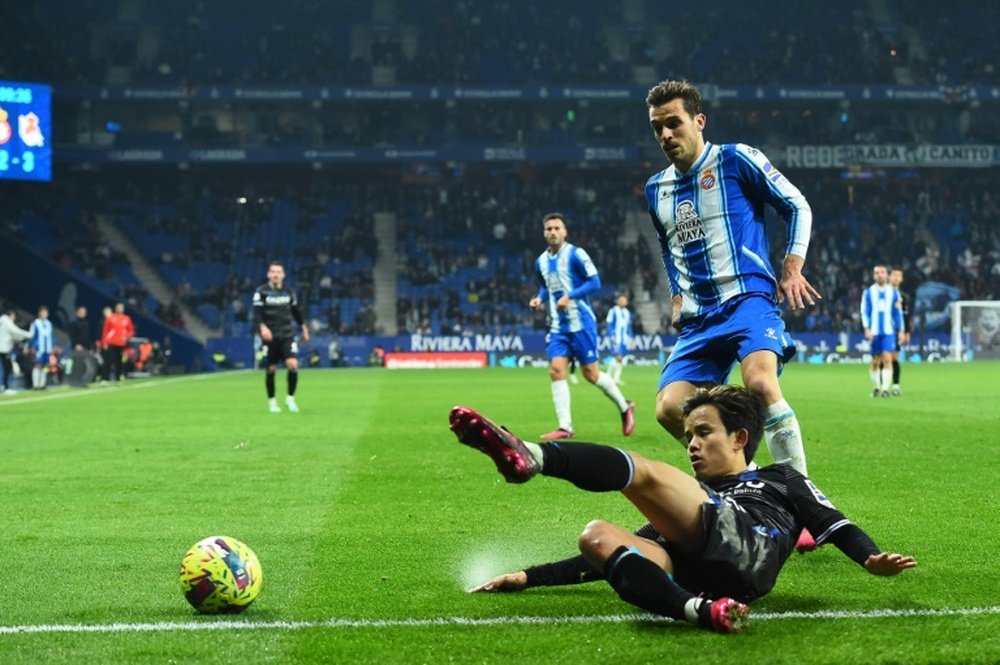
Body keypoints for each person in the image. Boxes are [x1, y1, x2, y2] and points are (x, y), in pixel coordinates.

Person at [449, 385, 916, 634]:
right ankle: (697, 611)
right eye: (689, 434)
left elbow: (835, 523)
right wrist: (528, 577)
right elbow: (602, 559)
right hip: (705, 573)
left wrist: (870, 557)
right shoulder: (694, 501)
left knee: (645, 473)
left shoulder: (780, 477)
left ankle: (534, 455)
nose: (692, 443)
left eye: (704, 433)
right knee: (596, 536)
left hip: (750, 544)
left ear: (739, 438)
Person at [643, 80, 820, 551]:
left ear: (699, 121)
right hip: (700, 319)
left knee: (761, 384)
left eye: (673, 122)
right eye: (657, 127)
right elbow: (667, 247)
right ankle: (742, 483)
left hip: (748, 301)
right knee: (668, 409)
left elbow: (796, 204)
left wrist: (792, 265)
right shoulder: (655, 189)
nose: (665, 134)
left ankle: (803, 507)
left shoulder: (737, 160)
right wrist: (677, 294)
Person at [529, 213, 635, 440]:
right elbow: (543, 286)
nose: (553, 232)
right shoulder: (540, 261)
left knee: (591, 374)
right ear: (544, 233)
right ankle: (565, 427)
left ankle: (625, 407)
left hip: (582, 324)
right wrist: (538, 299)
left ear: (565, 232)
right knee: (556, 370)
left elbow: (595, 282)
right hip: (558, 327)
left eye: (557, 228)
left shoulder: (576, 254)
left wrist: (570, 296)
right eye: (549, 229)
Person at [252, 261, 309, 413]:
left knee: (293, 365)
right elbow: (256, 314)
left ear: (283, 275)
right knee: (271, 369)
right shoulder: (261, 292)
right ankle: (272, 402)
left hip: (287, 334)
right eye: (273, 272)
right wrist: (262, 327)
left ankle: (290, 398)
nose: (276, 274)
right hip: (270, 337)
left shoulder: (289, 292)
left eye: (279, 272)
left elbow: (296, 312)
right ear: (268, 274)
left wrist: (303, 327)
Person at [861, 265, 904, 398]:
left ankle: (885, 388)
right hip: (874, 331)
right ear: (874, 276)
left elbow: (898, 313)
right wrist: (867, 328)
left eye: (882, 272)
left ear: (886, 275)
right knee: (875, 361)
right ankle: (876, 387)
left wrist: (901, 330)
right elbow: (864, 312)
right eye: (877, 273)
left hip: (888, 332)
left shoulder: (894, 293)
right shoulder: (868, 292)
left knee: (887, 357)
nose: (880, 275)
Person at [888, 267, 912, 396]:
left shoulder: (904, 297)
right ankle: (882, 385)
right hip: (883, 329)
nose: (896, 278)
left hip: (897, 331)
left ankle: (895, 385)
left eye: (899, 276)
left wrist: (907, 332)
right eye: (894, 275)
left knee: (894, 358)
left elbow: (906, 316)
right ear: (889, 277)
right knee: (882, 358)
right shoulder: (882, 293)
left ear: (901, 279)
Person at [0, 306, 32, 395]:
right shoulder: (5, 320)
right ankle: (6, 386)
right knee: (7, 367)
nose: (14, 319)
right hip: (3, 349)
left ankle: (4, 385)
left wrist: (22, 337)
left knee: (6, 367)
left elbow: (14, 335)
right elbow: (15, 331)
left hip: (4, 348)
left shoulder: (3, 322)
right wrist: (29, 335)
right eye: (14, 317)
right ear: (10, 315)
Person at [100, 302, 135, 384]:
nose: (120, 309)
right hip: (111, 343)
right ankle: (104, 379)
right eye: (118, 308)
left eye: (121, 308)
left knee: (119, 361)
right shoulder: (110, 318)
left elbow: (131, 331)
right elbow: (105, 331)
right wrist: (104, 342)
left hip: (121, 343)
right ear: (115, 309)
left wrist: (127, 336)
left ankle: (118, 378)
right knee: (108, 361)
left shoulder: (127, 318)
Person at [605, 294, 633, 386]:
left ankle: (615, 379)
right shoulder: (612, 311)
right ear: (617, 301)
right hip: (616, 338)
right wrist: (612, 336)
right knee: (618, 357)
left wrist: (631, 337)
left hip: (624, 339)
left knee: (620, 359)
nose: (623, 302)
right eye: (621, 300)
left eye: (625, 300)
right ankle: (609, 377)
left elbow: (629, 326)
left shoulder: (627, 312)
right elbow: (609, 325)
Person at [29, 305, 54, 390]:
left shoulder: (48, 323)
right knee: (37, 365)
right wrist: (32, 346)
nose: (44, 314)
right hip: (39, 348)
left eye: (46, 312)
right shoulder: (35, 323)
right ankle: (35, 385)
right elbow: (32, 336)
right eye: (42, 312)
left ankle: (42, 384)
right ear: (39, 313)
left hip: (47, 348)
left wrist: (51, 347)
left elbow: (50, 337)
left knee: (45, 366)